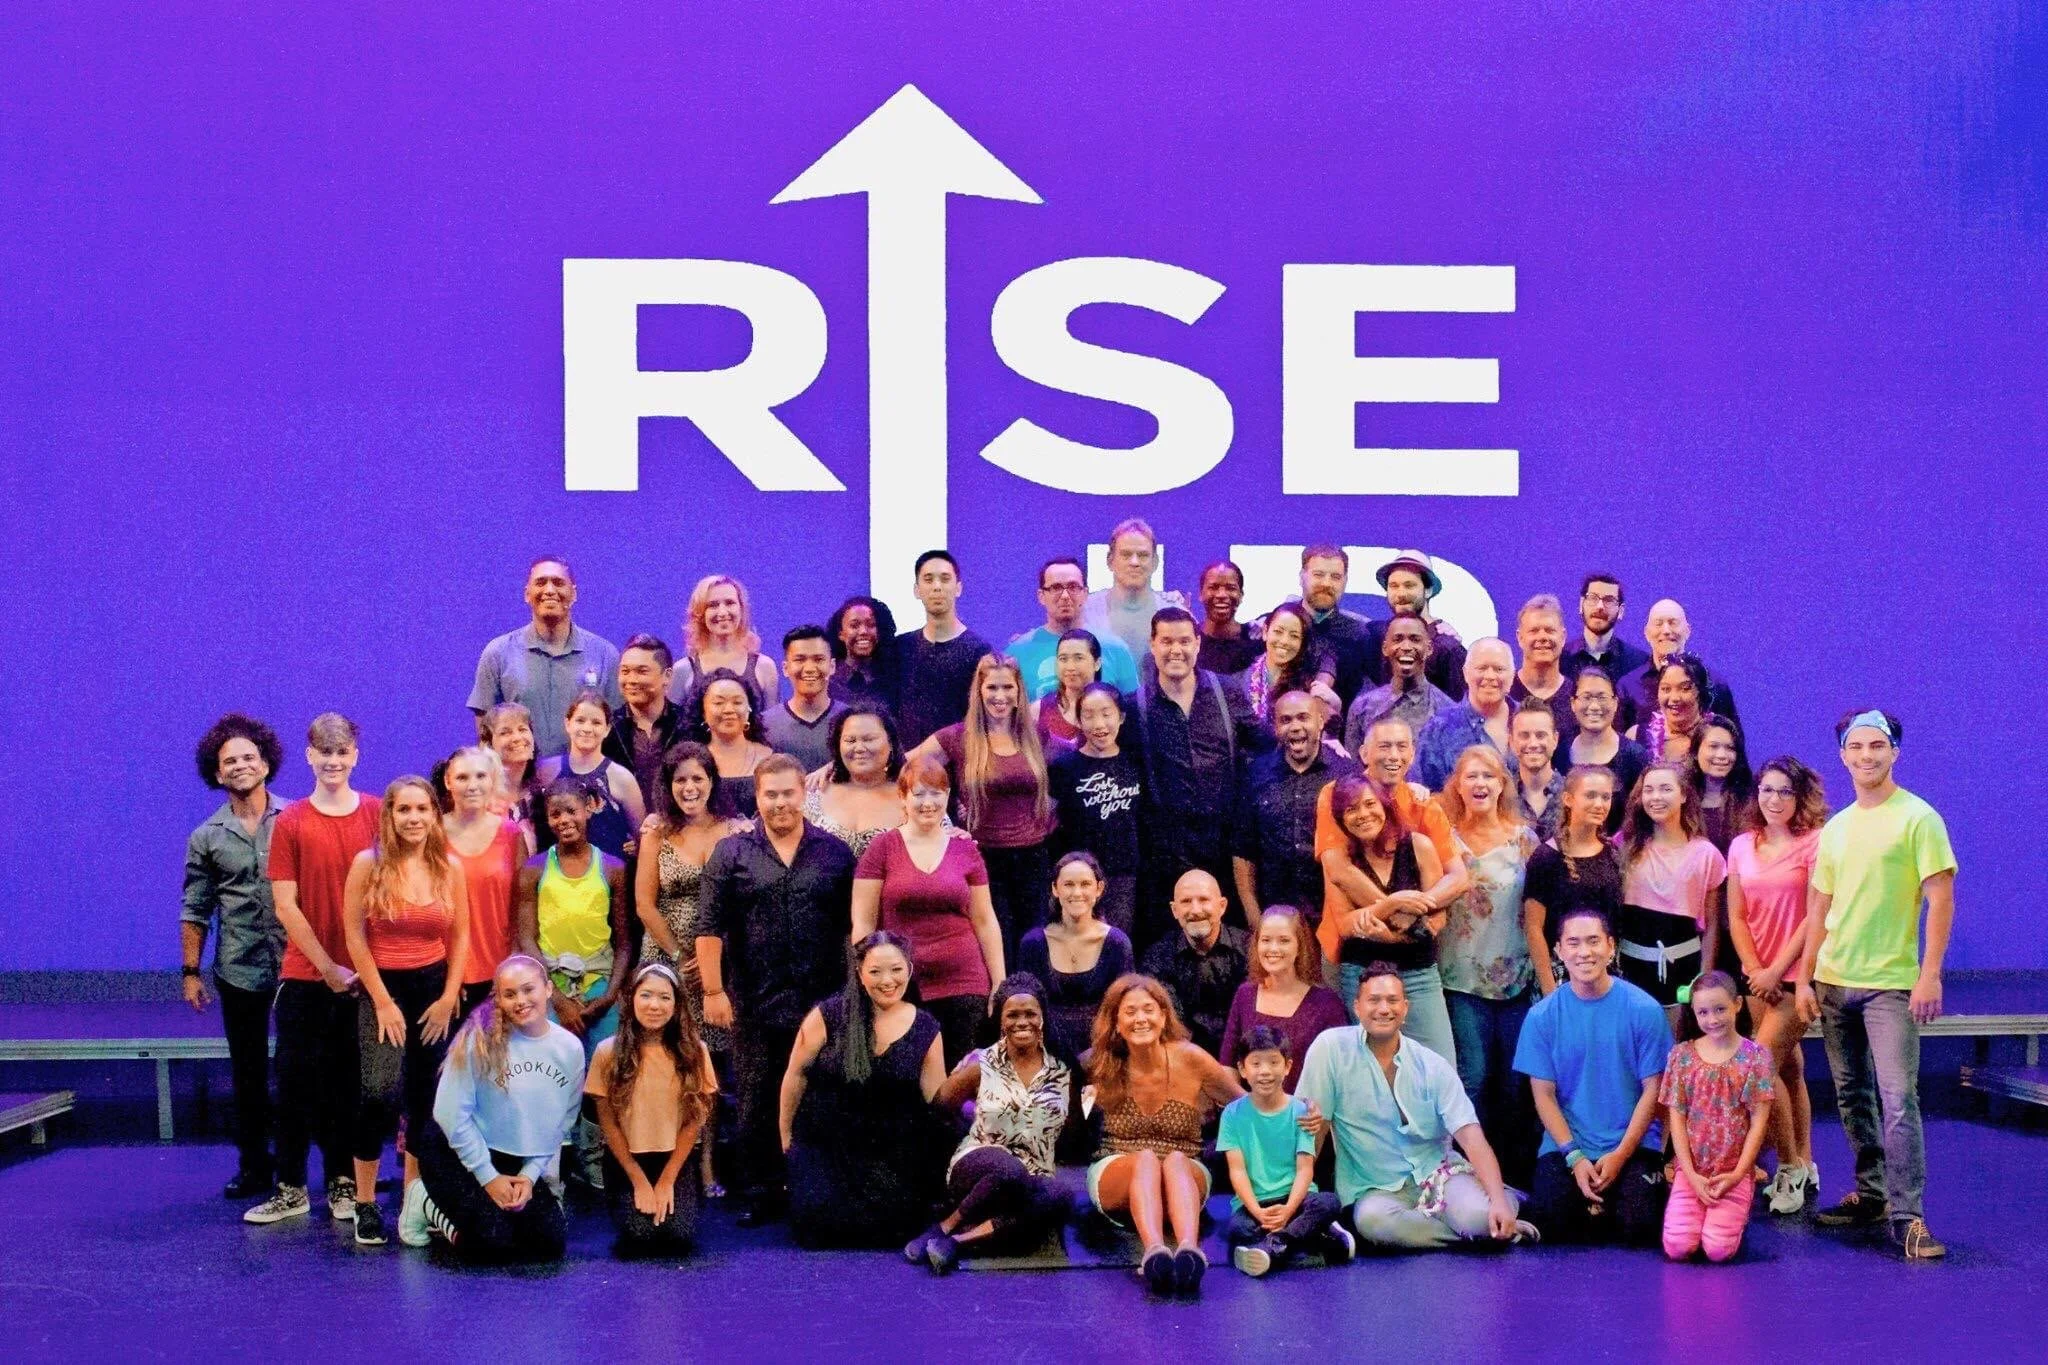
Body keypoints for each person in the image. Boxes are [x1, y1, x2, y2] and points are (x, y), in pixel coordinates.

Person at [1795, 709, 1957, 1260]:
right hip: (1835, 982)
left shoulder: (1919, 818)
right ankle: (1871, 1194)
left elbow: (1940, 897)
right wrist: (1804, 979)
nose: (1867, 756)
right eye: (1856, 747)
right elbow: (1819, 908)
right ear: (1842, 756)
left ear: (1895, 753)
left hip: (1890, 984)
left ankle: (1908, 1216)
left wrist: (1929, 973)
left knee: (1898, 1099)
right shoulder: (1836, 828)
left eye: (1877, 746)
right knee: (1851, 1096)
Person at [696, 755, 858, 1227]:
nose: (780, 802)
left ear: (803, 795)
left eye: (789, 792)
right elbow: (710, 926)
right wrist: (712, 991)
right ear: (757, 796)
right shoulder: (732, 853)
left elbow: (853, 929)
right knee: (754, 1100)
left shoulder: (834, 853)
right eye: (771, 794)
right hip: (753, 1000)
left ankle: (813, 1187)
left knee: (820, 1098)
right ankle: (763, 1192)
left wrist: (851, 997)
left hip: (820, 1002)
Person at [244, 713, 381, 1227]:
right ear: (308, 756)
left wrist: (363, 968)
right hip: (306, 975)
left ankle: (344, 1185)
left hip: (364, 975)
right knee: (295, 1081)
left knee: (350, 1083)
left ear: (355, 756)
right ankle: (291, 1188)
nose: (333, 761)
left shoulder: (375, 813)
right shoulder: (292, 822)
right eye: (324, 753)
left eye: (342, 752)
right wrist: (325, 966)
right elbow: (285, 905)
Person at [1297, 964, 1532, 1250]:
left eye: (1392, 1000)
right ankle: (1478, 1233)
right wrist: (1297, 1197)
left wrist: (1496, 1201)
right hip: (1375, 1188)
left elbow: (1472, 1138)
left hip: (1439, 1175)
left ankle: (1496, 1207)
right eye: (1374, 1000)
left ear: (1405, 1008)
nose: (1384, 1008)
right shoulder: (1330, 1049)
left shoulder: (1432, 1065)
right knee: (1372, 1223)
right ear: (1357, 1007)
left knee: (1481, 1217)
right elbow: (1311, 1128)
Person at [341, 776, 471, 1247]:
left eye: (422, 809)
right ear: (390, 815)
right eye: (404, 810)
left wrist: (447, 997)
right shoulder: (367, 864)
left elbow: (459, 938)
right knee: (378, 1092)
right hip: (384, 989)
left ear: (434, 814)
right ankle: (366, 1201)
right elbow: (355, 937)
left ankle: (414, 1200)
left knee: (424, 1097)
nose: (414, 818)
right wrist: (381, 1002)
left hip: (433, 990)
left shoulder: (448, 866)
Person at [408, 956, 585, 1264]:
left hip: (513, 1158)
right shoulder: (478, 1038)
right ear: (499, 999)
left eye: (529, 990)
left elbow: (559, 1123)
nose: (521, 1001)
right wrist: (488, 1177)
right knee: (492, 1242)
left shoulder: (569, 1049)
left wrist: (529, 1176)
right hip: (454, 1153)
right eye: (510, 994)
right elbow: (450, 1115)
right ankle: (422, 1199)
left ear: (547, 989)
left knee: (548, 1244)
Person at [1513, 907, 1672, 1245]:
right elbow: (1543, 1095)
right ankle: (1592, 1204)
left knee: (1640, 1229)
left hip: (1632, 1143)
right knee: (1551, 1223)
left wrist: (1620, 1156)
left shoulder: (1644, 1010)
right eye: (1573, 943)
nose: (1584, 952)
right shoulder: (1541, 1017)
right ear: (1558, 951)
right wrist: (1575, 1157)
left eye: (1593, 941)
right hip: (1569, 1145)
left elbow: (1654, 1091)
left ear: (1611, 947)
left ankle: (1609, 1202)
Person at [780, 932, 948, 1248]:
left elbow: (936, 1103)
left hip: (891, 1153)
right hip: (827, 1146)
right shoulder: (827, 1015)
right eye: (875, 972)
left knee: (895, 1227)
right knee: (818, 1229)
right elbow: (796, 1076)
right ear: (859, 972)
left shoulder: (926, 1027)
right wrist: (787, 1139)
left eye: (896, 970)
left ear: (910, 970)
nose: (887, 980)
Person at [635, 742, 748, 1197]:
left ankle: (707, 1165)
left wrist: (710, 961)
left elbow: (742, 902)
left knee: (711, 1066)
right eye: (680, 780)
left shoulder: (737, 830)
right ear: (668, 786)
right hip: (666, 959)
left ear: (712, 782)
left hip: (720, 962)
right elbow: (644, 902)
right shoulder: (657, 831)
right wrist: (683, 957)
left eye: (697, 778)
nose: (689, 787)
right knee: (667, 1061)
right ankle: (664, 1160)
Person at [1086, 974, 1245, 1297]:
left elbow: (1248, 1105)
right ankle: (1154, 1251)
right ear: (1116, 1022)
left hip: (1184, 1168)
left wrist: (1301, 1108)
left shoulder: (1191, 1058)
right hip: (1117, 1169)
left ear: (1163, 1016)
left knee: (1173, 1160)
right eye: (1130, 1012)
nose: (1140, 1018)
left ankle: (1188, 1249)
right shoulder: (1098, 1064)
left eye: (1149, 1009)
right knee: (1145, 1159)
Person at [183, 713, 286, 1199]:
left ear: (265, 764)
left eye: (249, 757)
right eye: (230, 761)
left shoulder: (297, 818)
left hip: (296, 967)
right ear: (217, 774)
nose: (241, 766)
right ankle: (254, 1167)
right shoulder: (206, 836)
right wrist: (190, 972)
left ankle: (307, 1169)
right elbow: (196, 906)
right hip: (238, 966)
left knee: (303, 1069)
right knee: (248, 1073)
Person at [913, 974, 1079, 1272]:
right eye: (1013, 1014)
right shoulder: (981, 1064)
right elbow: (939, 1107)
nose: (1022, 1021)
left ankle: (957, 1242)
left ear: (1043, 1017)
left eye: (1030, 1014)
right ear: (1000, 1020)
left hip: (1028, 1170)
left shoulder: (1058, 1072)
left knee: (1061, 1196)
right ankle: (943, 1227)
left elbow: (1070, 1127)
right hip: (976, 1164)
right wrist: (971, 1114)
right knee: (1007, 1168)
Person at [852, 756, 1006, 1066]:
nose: (928, 803)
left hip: (965, 981)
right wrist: (867, 982)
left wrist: (999, 984)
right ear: (903, 798)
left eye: (936, 793)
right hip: (899, 984)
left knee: (960, 1077)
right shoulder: (881, 848)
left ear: (947, 797)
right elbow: (863, 922)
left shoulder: (966, 849)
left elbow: (985, 920)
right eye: (918, 793)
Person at [1727, 756, 1826, 1215]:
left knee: (1759, 1065)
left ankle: (1787, 1166)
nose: (1774, 799)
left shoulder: (1815, 844)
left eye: (1784, 790)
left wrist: (1776, 970)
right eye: (1766, 789)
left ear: (1799, 795)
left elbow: (1814, 917)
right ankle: (1805, 1160)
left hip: (1796, 977)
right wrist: (1752, 968)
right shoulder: (1742, 845)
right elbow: (1736, 915)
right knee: (1788, 1070)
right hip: (1757, 977)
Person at [1437, 746, 1540, 1180]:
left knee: (1515, 1079)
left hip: (1517, 976)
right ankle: (1467, 1171)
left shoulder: (1525, 839)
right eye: (1470, 776)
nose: (1480, 784)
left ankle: (1513, 1173)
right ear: (1457, 785)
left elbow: (1539, 907)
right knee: (1473, 1076)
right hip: (1461, 977)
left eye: (1489, 776)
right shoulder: (1444, 837)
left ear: (1503, 784)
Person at [915, 654, 1057, 961]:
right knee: (998, 944)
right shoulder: (957, 737)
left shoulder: (1037, 734)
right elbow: (904, 771)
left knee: (1035, 943)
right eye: (992, 687)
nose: (1000, 696)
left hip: (1035, 857)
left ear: (1020, 691)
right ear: (979, 691)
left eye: (1008, 687)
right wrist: (942, 827)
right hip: (983, 858)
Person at [1132, 607, 1263, 933]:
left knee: (1231, 943)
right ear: (1152, 645)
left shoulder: (1228, 693)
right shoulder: (1133, 705)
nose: (1176, 650)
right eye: (1166, 641)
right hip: (1164, 852)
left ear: (1198, 644)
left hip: (1223, 846)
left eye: (1184, 641)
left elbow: (1267, 746)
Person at [1319, 773, 1458, 1066]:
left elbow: (1437, 917)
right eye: (1351, 810)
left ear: (1384, 804)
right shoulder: (1341, 860)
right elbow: (1345, 924)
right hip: (1361, 973)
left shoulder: (1419, 845)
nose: (1363, 815)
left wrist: (1389, 930)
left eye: (1370, 804)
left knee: (1438, 1063)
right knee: (1369, 1069)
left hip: (1417, 973)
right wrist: (1392, 904)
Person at [586, 962, 718, 1256]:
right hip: (627, 1161)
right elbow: (608, 1123)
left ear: (677, 1004)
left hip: (675, 1159)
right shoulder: (608, 1051)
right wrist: (639, 1180)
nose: (654, 1005)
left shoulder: (695, 1052)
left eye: (664, 997)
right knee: (639, 1237)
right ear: (631, 999)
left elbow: (694, 1120)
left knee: (678, 1237)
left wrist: (667, 1178)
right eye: (646, 996)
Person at [1219, 1024, 1353, 1276]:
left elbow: (1305, 1169)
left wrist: (1289, 1209)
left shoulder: (1301, 1112)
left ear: (1288, 1066)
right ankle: (1310, 1243)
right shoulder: (1232, 1114)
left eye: (1273, 1062)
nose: (1265, 1071)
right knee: (1238, 1229)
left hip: (1297, 1200)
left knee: (1328, 1203)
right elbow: (1236, 1171)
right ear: (1242, 1069)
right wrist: (1258, 1211)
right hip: (1257, 1203)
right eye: (1256, 1064)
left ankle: (1277, 1245)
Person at [1661, 971, 1774, 1262]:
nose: (1712, 1020)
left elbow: (1758, 1122)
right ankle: (1697, 1211)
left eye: (1720, 1009)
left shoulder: (1755, 1057)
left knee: (1718, 1250)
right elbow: (1676, 1118)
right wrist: (1689, 1173)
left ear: (1737, 1004)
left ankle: (1734, 1213)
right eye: (1703, 1012)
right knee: (1677, 1246)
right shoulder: (1681, 1056)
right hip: (1692, 1170)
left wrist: (1738, 1173)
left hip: (1731, 1171)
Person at [517, 779, 633, 1065]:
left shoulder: (613, 868)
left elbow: (624, 942)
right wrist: (556, 998)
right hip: (549, 984)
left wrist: (609, 995)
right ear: (547, 819)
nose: (564, 820)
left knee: (605, 1070)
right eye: (555, 815)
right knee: (553, 1069)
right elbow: (527, 939)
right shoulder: (534, 869)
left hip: (600, 983)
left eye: (571, 811)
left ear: (589, 809)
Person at [468, 556, 622, 757]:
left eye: (558, 583)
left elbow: (617, 727)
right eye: (540, 583)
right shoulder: (498, 653)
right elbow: (485, 730)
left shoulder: (604, 655)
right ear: (527, 594)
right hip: (521, 781)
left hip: (584, 783)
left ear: (573, 593)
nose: (549, 590)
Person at [1233, 689, 1360, 933]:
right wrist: (1254, 918)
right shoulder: (1255, 775)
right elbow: (1242, 852)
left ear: (1320, 722)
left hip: (1333, 919)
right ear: (1275, 727)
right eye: (1286, 720)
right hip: (1275, 920)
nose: (1295, 726)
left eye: (1303, 717)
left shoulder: (1347, 774)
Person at [1617, 762, 1728, 1014]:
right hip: (1629, 971)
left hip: (1682, 970)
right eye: (1649, 790)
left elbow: (1711, 926)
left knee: (1675, 1048)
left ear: (1684, 795)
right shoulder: (1624, 845)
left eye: (1666, 789)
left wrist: (1704, 980)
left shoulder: (1706, 854)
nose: (1656, 797)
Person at [1047, 683, 1145, 936]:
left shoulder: (1137, 762)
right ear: (1079, 721)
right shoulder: (1064, 768)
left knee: (1119, 941)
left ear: (1121, 717)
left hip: (1126, 876)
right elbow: (1051, 824)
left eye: (1106, 713)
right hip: (1080, 879)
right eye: (1088, 715)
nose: (1098, 724)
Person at [1219, 905, 1350, 1091]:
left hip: (1305, 1115)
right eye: (1266, 940)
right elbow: (1228, 1064)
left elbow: (1340, 1072)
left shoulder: (1327, 1004)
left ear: (1299, 947)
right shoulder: (1245, 995)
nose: (1273, 948)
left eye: (1284, 941)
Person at [437, 747, 526, 1020]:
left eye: (480, 776)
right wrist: (448, 976)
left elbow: (522, 902)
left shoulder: (511, 833)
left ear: (492, 781)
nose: (472, 785)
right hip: (445, 974)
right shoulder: (432, 833)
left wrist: (513, 963)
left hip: (500, 969)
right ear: (448, 782)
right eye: (462, 777)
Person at [1016, 852, 1135, 1051]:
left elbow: (1125, 1006)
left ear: (1099, 889)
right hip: (1046, 1052)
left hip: (1103, 1050)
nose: (1077, 893)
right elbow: (1024, 1005)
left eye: (1085, 884)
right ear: (1055, 889)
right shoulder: (1033, 943)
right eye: (1069, 885)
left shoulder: (1117, 943)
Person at [1523, 766, 1624, 994]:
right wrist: (1550, 989)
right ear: (1568, 799)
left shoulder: (1613, 851)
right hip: (1562, 976)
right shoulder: (1546, 857)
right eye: (1590, 795)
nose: (1599, 804)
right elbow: (1533, 928)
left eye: (1605, 797)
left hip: (1607, 974)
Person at [1138, 869, 1250, 1056]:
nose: (1195, 910)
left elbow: (1248, 1021)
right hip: (1181, 1061)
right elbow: (1170, 1028)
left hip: (1240, 1059)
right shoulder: (1157, 958)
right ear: (1174, 910)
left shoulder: (1248, 950)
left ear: (1222, 906)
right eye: (1186, 902)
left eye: (1204, 900)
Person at [893, 550, 992, 750]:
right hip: (905, 769)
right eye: (928, 579)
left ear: (958, 588)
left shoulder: (979, 651)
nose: (937, 587)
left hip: (961, 763)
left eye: (945, 579)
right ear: (916, 590)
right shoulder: (900, 648)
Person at [1007, 556, 1139, 700]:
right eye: (1056, 588)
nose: (1065, 596)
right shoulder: (1017, 653)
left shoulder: (1115, 649)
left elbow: (1133, 713)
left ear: (1085, 593)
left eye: (1073, 587)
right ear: (1041, 596)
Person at [535, 691, 645, 859]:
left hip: (608, 878)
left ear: (607, 729)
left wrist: (636, 847)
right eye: (580, 720)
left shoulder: (622, 778)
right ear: (567, 723)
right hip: (554, 876)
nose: (587, 728)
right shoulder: (545, 771)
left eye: (596, 723)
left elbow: (642, 839)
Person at [805, 704, 914, 857]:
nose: (859, 748)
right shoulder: (814, 791)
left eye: (869, 739)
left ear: (891, 744)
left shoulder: (915, 796)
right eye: (850, 740)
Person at [1342, 611, 1453, 758]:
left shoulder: (1446, 711)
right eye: (1398, 639)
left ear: (1429, 649)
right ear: (1385, 648)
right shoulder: (1362, 707)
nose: (1406, 646)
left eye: (1415, 639)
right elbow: (1353, 772)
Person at [1081, 516, 1189, 664]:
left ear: (1155, 562)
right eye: (1126, 555)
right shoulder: (1085, 611)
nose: (1134, 562)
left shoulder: (1175, 610)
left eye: (1143, 555)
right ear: (1109, 560)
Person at [1360, 550, 1467, 699]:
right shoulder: (1373, 635)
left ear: (1428, 591)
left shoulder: (1449, 649)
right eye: (1394, 586)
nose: (1401, 593)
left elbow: (1460, 710)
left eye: (1409, 585)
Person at [665, 572, 782, 707]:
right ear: (700, 614)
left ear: (741, 609)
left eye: (729, 603)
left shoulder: (764, 667)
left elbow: (772, 725)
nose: (722, 612)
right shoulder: (683, 670)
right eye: (713, 605)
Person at [1620, 601, 1738, 732]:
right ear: (1646, 633)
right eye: (1658, 623)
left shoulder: (1714, 683)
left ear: (1688, 631)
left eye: (1673, 623)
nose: (1666, 630)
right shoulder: (1628, 686)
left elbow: (1733, 741)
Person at [604, 633, 688, 814]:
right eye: (625, 671)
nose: (631, 680)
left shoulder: (689, 725)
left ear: (667, 676)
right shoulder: (606, 729)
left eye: (641, 671)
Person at [1414, 638, 1514, 790]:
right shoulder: (1438, 729)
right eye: (1481, 668)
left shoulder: (1531, 722)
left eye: (1499, 669)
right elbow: (1422, 795)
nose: (1490, 676)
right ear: (1466, 674)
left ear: (1512, 675)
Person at [1292, 544, 1371, 722]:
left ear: (1345, 581)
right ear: (1301, 577)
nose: (1326, 583)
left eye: (1335, 577)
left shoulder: (1360, 635)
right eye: (1318, 575)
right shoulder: (1275, 626)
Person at [1563, 666, 1645, 832]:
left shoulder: (1636, 757)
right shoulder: (1560, 752)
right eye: (1586, 697)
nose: (1594, 706)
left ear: (1615, 703)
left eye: (1602, 697)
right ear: (1573, 703)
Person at [687, 670, 775, 821]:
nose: (729, 710)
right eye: (719, 703)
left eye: (737, 702)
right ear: (703, 712)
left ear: (749, 709)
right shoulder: (690, 762)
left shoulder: (772, 759)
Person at [761, 625, 848, 773]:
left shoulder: (850, 720)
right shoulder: (764, 725)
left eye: (818, 659)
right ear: (785, 668)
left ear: (832, 666)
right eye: (800, 660)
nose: (809, 668)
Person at [1247, 601, 1329, 726]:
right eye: (1278, 632)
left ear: (1302, 643)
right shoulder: (1241, 679)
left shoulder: (1308, 687)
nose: (1285, 641)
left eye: (1294, 636)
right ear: (1265, 632)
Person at [1027, 628, 1112, 749]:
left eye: (1078, 658)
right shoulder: (1038, 710)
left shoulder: (1113, 709)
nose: (1070, 667)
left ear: (1097, 663)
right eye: (1063, 659)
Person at [1561, 572, 1648, 685]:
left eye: (1609, 600)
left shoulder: (1638, 662)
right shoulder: (1561, 659)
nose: (1600, 606)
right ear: (1581, 604)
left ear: (1620, 611)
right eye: (1593, 598)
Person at [1507, 595, 1575, 737]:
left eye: (1550, 630)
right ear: (1520, 638)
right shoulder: (1504, 693)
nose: (1542, 637)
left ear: (1563, 637)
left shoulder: (1577, 698)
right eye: (1534, 631)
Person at [1628, 653, 1712, 765]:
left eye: (1685, 689)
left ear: (1701, 692)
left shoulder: (1716, 735)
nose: (1674, 698)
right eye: (1666, 689)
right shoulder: (1635, 736)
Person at [1690, 713, 1755, 854]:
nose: (1722, 755)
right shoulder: (1680, 799)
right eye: (1713, 747)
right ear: (1695, 751)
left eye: (1730, 748)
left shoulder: (1751, 800)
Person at [825, 594, 900, 712]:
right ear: (840, 633)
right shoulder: (827, 683)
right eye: (854, 625)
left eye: (871, 625)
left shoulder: (893, 681)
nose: (864, 631)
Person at [1507, 702, 1566, 842]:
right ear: (1511, 741)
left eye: (1540, 735)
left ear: (1555, 740)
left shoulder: (1572, 795)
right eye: (1524, 735)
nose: (1533, 744)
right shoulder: (1499, 797)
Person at [481, 702, 543, 830]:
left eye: (522, 729)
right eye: (505, 733)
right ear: (489, 744)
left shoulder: (542, 795)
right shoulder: (481, 798)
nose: (517, 738)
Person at [1194, 558, 1262, 675]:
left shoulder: (1256, 644)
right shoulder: (1190, 642)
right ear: (1201, 594)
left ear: (1241, 595)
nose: (1221, 595)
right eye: (1213, 587)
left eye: (1231, 588)